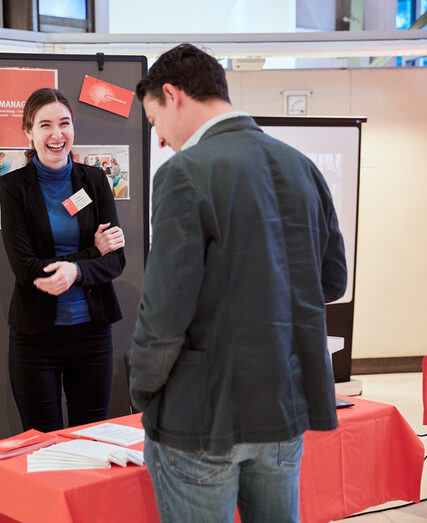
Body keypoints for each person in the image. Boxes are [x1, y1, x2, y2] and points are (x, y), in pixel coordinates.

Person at [129, 43, 347, 523]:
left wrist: (142, 387)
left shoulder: (183, 173)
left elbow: (165, 311)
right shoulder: (301, 166)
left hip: (202, 413)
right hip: (284, 405)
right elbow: (331, 281)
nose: (161, 139)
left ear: (172, 94)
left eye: (154, 120)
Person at [0, 88, 126, 432]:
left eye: (64, 123)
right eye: (45, 125)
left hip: (92, 336)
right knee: (43, 444)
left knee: (91, 440)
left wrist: (74, 269)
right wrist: (89, 257)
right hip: (36, 338)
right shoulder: (13, 187)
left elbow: (116, 262)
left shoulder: (95, 181)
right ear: (28, 132)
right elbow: (26, 269)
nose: (57, 135)